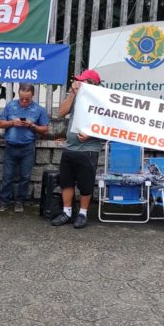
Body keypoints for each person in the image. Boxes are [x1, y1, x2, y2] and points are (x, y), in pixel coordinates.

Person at [51, 70, 103, 229]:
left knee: (86, 184)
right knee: (66, 182)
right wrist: (72, 94)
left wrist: (90, 134)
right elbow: (61, 112)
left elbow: (108, 126)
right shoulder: (77, 96)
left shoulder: (101, 101)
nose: (78, 83)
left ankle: (82, 213)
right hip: (70, 148)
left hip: (89, 149)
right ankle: (67, 212)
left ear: (92, 84)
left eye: (83, 81)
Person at [0, 83, 49, 213]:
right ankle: (3, 201)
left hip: (28, 148)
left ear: (33, 96)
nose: (24, 101)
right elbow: (0, 123)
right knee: (7, 176)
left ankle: (20, 201)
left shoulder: (39, 109)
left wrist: (32, 125)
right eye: (22, 98)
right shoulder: (10, 105)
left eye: (27, 99)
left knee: (25, 176)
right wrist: (12, 123)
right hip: (10, 146)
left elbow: (46, 130)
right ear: (18, 94)